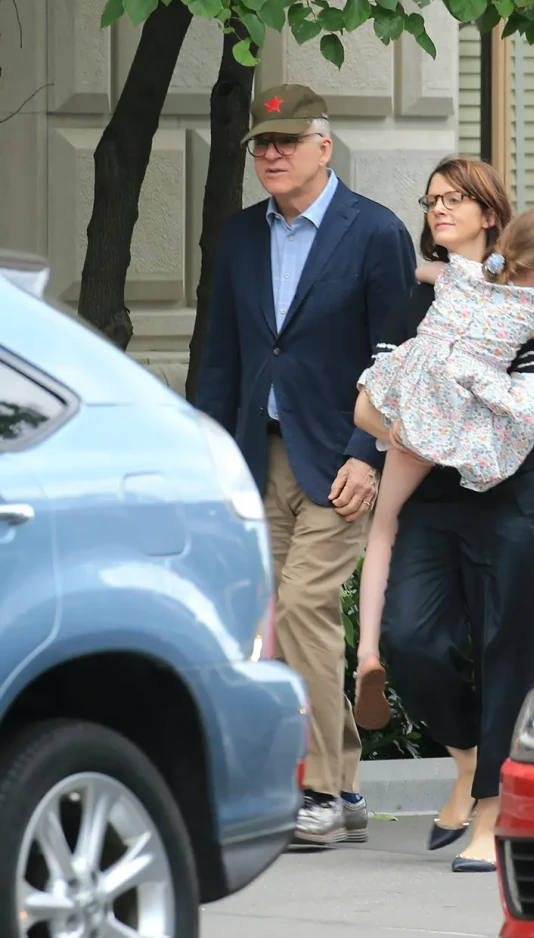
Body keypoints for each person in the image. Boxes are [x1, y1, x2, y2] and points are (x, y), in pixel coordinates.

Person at [194, 83, 416, 845]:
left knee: (302, 608)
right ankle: (345, 787)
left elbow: (397, 360)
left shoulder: (377, 232)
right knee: (282, 623)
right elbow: (221, 354)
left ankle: (318, 792)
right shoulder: (241, 235)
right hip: (261, 455)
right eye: (262, 143)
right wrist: (213, 459)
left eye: (287, 141)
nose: (271, 154)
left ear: (325, 146)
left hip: (340, 460)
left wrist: (371, 453)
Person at [353, 207, 534, 731]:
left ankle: (367, 653)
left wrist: (464, 273)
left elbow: (425, 272)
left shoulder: (460, 274)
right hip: (464, 412)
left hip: (416, 401)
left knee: (385, 525)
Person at [352, 157, 534, 871]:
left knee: (510, 657)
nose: (440, 210)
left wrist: (453, 414)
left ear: (489, 214)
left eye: (455, 199)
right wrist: (396, 428)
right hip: (430, 502)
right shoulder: (415, 298)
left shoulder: (517, 294)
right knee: (408, 641)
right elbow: (372, 401)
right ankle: (467, 758)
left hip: (506, 500)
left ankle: (493, 820)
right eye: (433, 200)